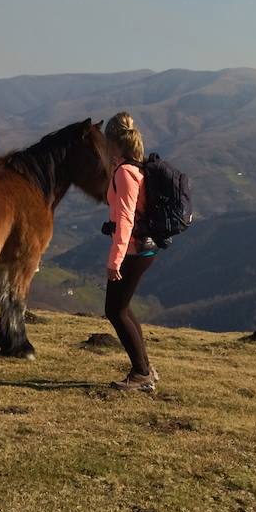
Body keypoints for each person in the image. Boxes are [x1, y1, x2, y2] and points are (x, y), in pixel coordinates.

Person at [102, 112, 160, 392]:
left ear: (114, 141)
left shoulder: (125, 172)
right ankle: (145, 368)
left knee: (114, 310)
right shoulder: (132, 168)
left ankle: (141, 373)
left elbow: (125, 219)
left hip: (134, 250)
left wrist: (115, 260)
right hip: (144, 248)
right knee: (121, 308)